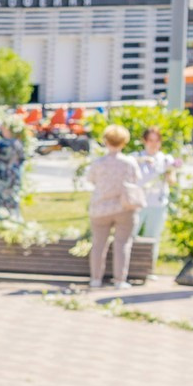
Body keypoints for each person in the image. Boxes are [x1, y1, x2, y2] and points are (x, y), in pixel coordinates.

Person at [83, 124, 144, 289]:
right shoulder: (129, 162)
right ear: (124, 142)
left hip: (100, 208)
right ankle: (119, 280)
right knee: (122, 244)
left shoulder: (98, 163)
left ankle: (96, 279)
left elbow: (91, 180)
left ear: (106, 141)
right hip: (123, 207)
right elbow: (136, 180)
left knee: (98, 244)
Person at [133, 126, 176, 270]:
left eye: (157, 140)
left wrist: (169, 171)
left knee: (153, 238)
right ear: (144, 141)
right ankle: (130, 268)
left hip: (157, 203)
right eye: (151, 140)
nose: (154, 144)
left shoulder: (165, 159)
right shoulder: (135, 157)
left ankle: (148, 269)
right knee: (131, 236)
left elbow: (172, 181)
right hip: (138, 203)